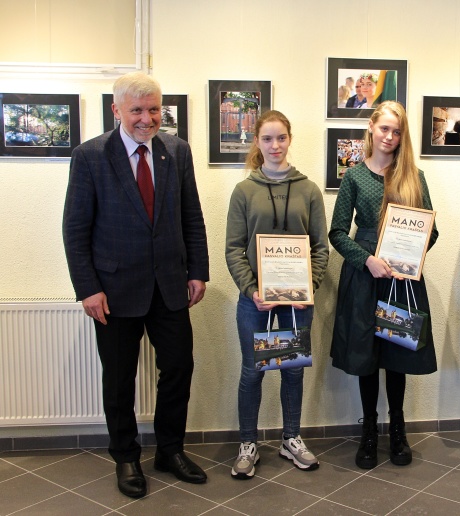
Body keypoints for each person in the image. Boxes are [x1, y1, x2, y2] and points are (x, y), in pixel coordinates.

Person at [62, 72, 209, 498]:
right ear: (116, 111)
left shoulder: (176, 152)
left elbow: (191, 217)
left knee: (179, 366)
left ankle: (170, 449)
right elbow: (75, 229)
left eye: (154, 109)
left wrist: (197, 271)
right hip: (113, 290)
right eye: (137, 111)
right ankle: (125, 456)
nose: (147, 119)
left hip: (170, 285)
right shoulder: (89, 156)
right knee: (119, 378)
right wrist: (88, 288)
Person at [329, 100, 438, 470]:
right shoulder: (354, 177)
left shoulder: (414, 177)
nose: (390, 137)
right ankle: (370, 430)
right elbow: (338, 232)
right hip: (365, 279)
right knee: (367, 357)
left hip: (402, 282)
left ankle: (397, 427)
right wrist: (367, 260)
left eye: (397, 131)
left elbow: (431, 230)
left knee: (397, 355)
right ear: (372, 128)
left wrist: (410, 258)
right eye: (384, 129)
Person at [225, 110, 329, 479]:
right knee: (253, 371)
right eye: (267, 139)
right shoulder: (244, 191)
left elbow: (321, 248)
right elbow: (233, 249)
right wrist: (253, 291)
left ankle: (291, 438)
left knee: (293, 371)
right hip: (256, 303)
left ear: (289, 139)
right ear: (257, 142)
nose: (275, 146)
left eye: (281, 138)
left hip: (297, 303)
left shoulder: (309, 190)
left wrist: (308, 287)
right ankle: (248, 443)